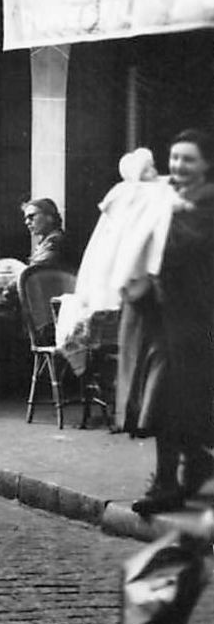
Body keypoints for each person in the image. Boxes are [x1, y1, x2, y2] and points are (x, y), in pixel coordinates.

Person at [122, 131, 214, 516]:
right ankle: (173, 478)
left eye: (188, 160)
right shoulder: (164, 201)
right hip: (167, 318)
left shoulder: (204, 207)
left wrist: (160, 220)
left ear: (207, 165)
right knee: (168, 397)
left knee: (182, 397)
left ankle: (181, 479)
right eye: (174, 158)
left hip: (199, 316)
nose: (178, 166)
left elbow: (179, 247)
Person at [21, 197, 75, 270]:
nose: (27, 222)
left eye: (31, 216)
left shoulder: (56, 242)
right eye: (26, 218)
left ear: (50, 217)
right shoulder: (46, 241)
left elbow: (35, 270)